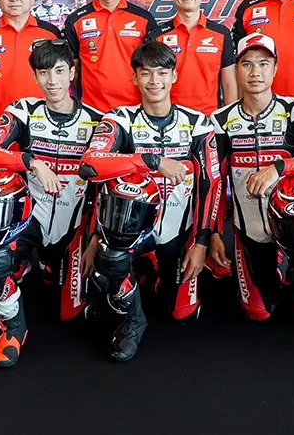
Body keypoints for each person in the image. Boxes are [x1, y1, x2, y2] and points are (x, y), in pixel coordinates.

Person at [78, 42, 222, 362]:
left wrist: (201, 241)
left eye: (161, 73)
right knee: (108, 269)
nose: (154, 81)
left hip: (178, 233)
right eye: (145, 73)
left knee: (182, 313)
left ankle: (151, 273)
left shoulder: (198, 123)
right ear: (134, 78)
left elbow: (211, 184)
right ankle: (134, 321)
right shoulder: (120, 119)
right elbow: (90, 165)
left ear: (174, 76)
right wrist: (150, 161)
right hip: (129, 231)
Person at [0, 39, 104, 366]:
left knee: (70, 313)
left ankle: (44, 264)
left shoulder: (99, 120)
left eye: (59, 71)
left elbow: (109, 179)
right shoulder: (23, 111)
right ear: (35, 76)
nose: (52, 81)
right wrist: (30, 161)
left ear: (72, 72)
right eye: (43, 73)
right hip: (29, 219)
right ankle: (13, 328)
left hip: (76, 225)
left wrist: (96, 239)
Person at [210, 34, 294, 331]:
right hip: (249, 230)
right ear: (236, 69)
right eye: (247, 64)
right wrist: (214, 232)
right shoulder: (220, 119)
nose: (255, 72)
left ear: (275, 68)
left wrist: (279, 167)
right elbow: (215, 180)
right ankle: (280, 267)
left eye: (263, 64)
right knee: (258, 311)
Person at [64, 0, 158, 113]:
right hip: (91, 112)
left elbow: (154, 69)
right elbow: (73, 72)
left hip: (136, 112)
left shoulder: (144, 19)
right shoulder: (75, 20)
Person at [147, 0, 237, 116]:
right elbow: (151, 83)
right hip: (170, 120)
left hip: (209, 119)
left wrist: (231, 119)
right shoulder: (157, 36)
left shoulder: (221, 34)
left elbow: (229, 84)